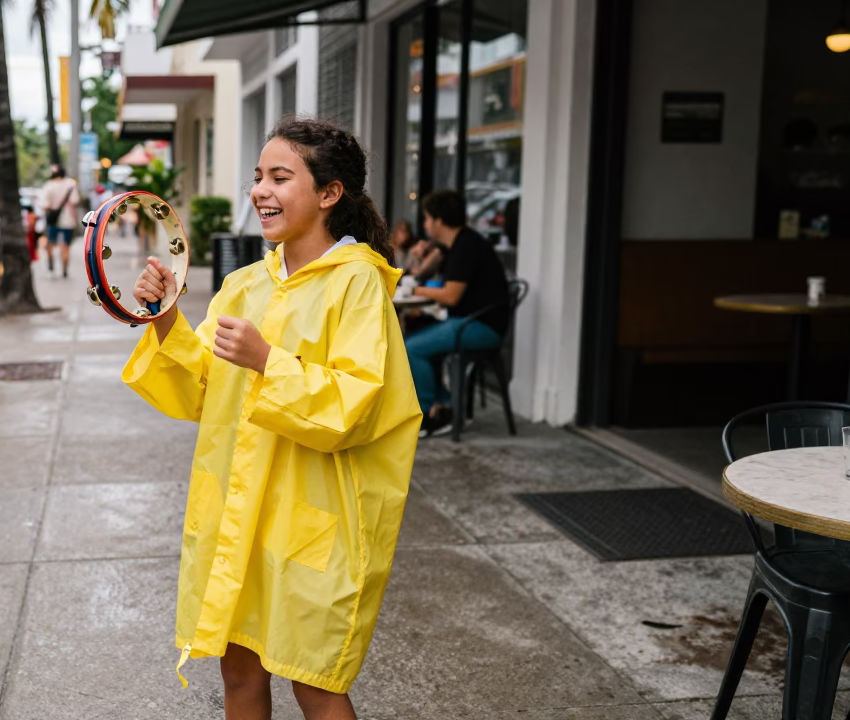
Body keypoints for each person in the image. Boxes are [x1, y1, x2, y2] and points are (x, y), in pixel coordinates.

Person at [124, 118, 422, 720]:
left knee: (315, 682)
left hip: (314, 518)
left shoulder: (358, 284)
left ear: (329, 193)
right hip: (240, 514)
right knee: (238, 673)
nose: (260, 190)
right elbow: (203, 390)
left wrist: (267, 362)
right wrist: (163, 318)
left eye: (280, 177)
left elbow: (357, 405)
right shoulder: (244, 285)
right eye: (257, 177)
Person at [405, 189, 511, 437]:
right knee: (415, 330)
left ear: (439, 220)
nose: (425, 224)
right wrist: (421, 258)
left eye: (427, 218)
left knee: (412, 348)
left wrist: (418, 290)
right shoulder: (456, 245)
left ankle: (429, 412)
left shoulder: (467, 246)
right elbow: (422, 274)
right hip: (466, 321)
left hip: (481, 327)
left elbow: (450, 295)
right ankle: (448, 406)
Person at [39, 164, 80, 278]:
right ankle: (64, 270)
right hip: (68, 220)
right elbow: (75, 201)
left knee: (50, 244)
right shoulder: (70, 185)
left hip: (53, 220)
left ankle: (51, 266)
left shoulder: (48, 186)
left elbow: (43, 203)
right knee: (65, 246)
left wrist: (52, 207)